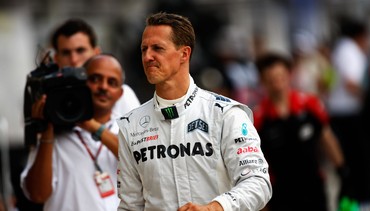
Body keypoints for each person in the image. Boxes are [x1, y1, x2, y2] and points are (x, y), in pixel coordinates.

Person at [116, 12, 272, 210]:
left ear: (184, 54)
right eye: (144, 49)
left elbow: (258, 183)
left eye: (157, 48)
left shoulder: (225, 114)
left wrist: (215, 207)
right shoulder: (131, 125)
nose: (148, 57)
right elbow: (130, 205)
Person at [21, 54, 123, 211]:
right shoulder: (54, 130)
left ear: (120, 93)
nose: (103, 87)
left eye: (112, 82)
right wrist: (47, 132)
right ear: (82, 84)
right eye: (95, 79)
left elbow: (140, 164)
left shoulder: (128, 127)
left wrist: (92, 126)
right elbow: (38, 195)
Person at [253, 53, 345, 211]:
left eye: (281, 77)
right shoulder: (258, 119)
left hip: (313, 187)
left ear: (289, 75)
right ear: (263, 81)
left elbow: (327, 138)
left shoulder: (310, 105)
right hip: (280, 194)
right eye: (271, 79)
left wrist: (343, 172)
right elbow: (254, 162)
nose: (277, 83)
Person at [326, 17, 370, 210]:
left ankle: (352, 203)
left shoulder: (341, 49)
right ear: (360, 35)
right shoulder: (350, 50)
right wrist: (368, 98)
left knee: (352, 165)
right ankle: (358, 204)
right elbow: (351, 83)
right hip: (349, 116)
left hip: (342, 115)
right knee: (359, 164)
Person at [51, 18, 140, 118]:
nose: (74, 60)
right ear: (56, 59)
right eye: (66, 53)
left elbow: (139, 133)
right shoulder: (49, 97)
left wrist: (93, 127)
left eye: (80, 51)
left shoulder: (123, 96)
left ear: (97, 53)